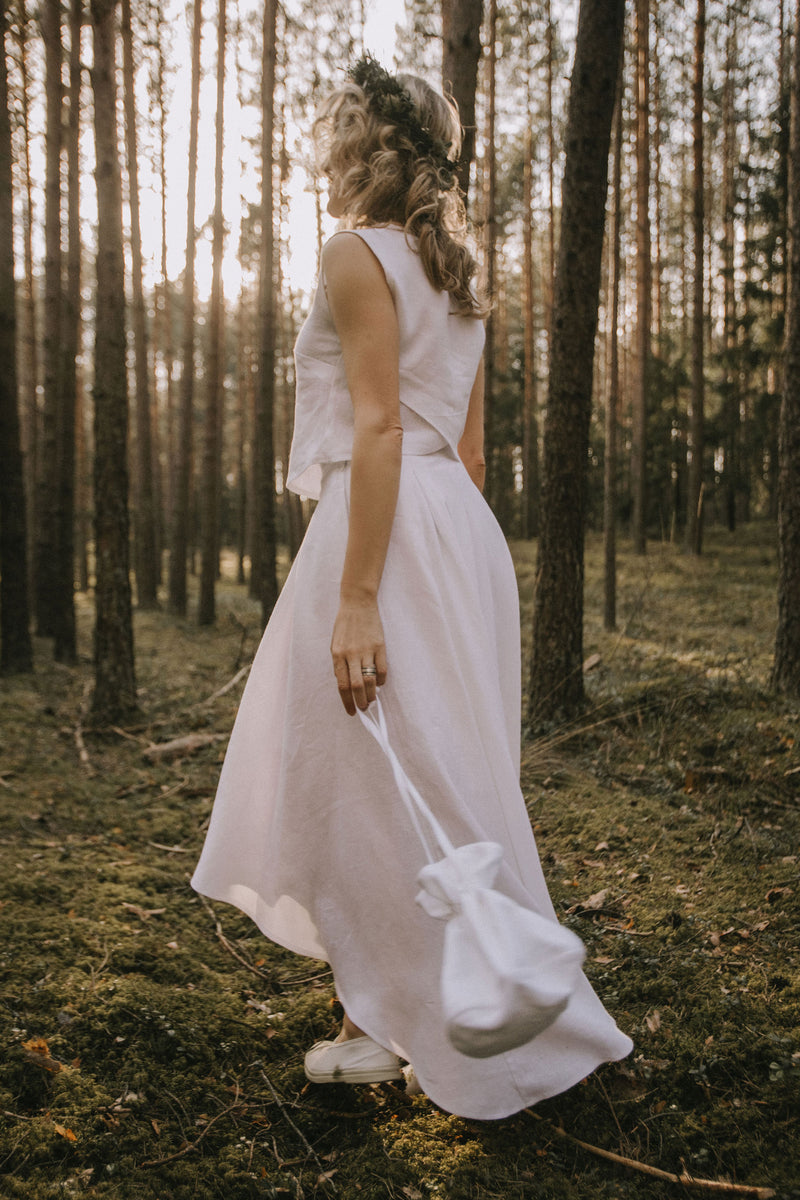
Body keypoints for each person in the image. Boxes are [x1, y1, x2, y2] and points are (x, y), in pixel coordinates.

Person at [191, 55, 632, 1120]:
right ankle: (373, 1015)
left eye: (336, 131)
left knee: (374, 768)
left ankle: (431, 1018)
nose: (326, 149)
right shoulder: (457, 271)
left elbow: (380, 426)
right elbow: (465, 454)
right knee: (421, 766)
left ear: (363, 144)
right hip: (452, 531)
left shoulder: (355, 254)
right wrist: (444, 566)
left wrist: (355, 593)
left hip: (383, 532)